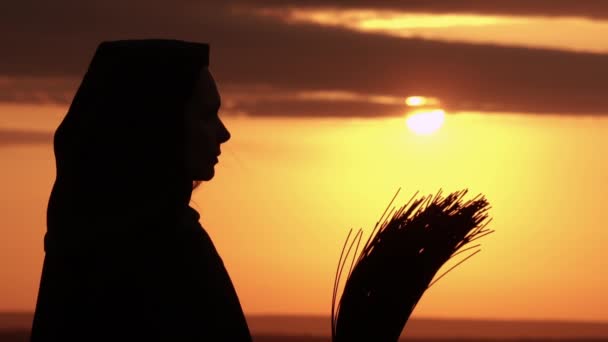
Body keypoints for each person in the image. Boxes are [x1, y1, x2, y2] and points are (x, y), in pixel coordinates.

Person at [30, 39, 252, 341]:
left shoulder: (78, 241)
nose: (223, 132)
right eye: (205, 114)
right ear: (161, 124)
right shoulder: (169, 251)